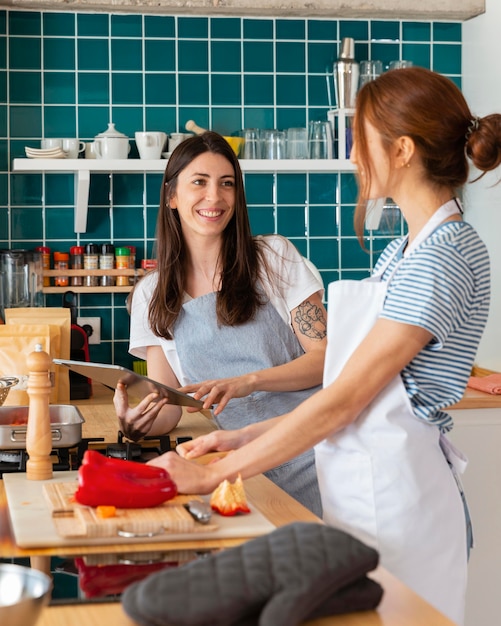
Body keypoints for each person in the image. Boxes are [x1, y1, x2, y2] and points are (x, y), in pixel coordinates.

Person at [146, 67, 498, 625]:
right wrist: (238, 436)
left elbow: (346, 400)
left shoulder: (444, 256)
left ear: (401, 149)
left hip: (400, 504)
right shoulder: (404, 252)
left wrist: (217, 472)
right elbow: (341, 387)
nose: (355, 155)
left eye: (361, 139)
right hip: (359, 493)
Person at [114, 131, 327, 516]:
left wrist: (251, 381)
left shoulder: (274, 258)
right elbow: (169, 404)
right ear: (171, 197)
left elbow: (327, 359)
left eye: (226, 184)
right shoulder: (152, 293)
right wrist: (135, 423)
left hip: (314, 451)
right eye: (199, 182)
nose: (215, 197)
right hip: (236, 467)